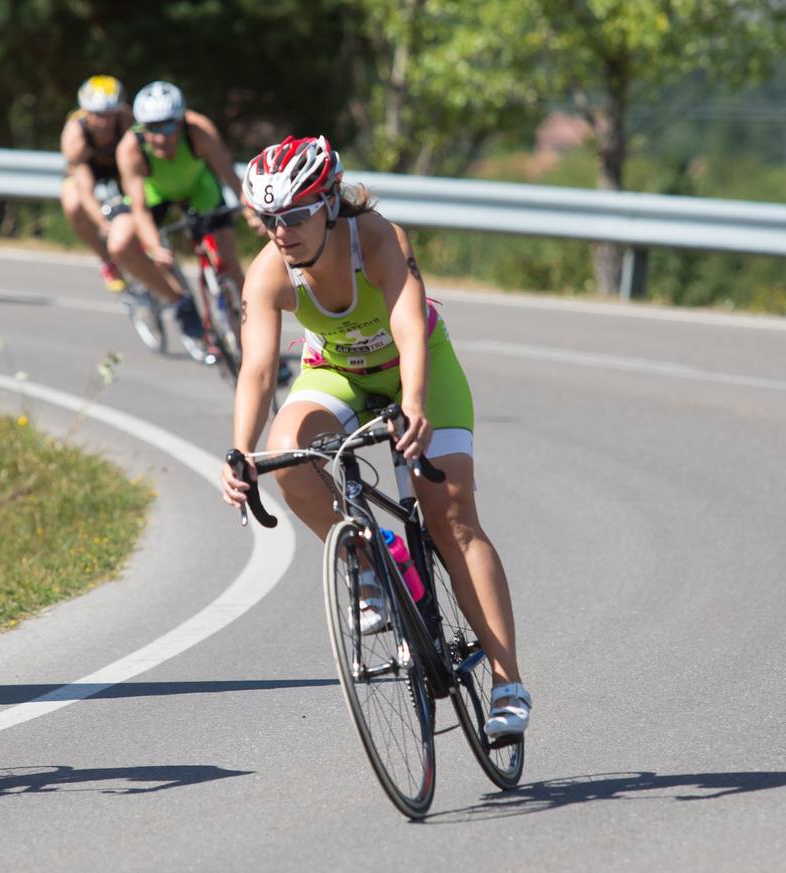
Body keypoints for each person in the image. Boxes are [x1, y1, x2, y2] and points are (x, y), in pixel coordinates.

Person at [218, 136, 530, 742]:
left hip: (416, 368)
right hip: (337, 372)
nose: (282, 233)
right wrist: (240, 452)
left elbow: (410, 328)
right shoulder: (267, 272)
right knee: (289, 459)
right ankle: (370, 555)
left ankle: (507, 682)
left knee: (449, 513)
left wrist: (413, 405)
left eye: (296, 215)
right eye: (270, 219)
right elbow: (257, 370)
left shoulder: (378, 239)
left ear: (330, 204)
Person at [112, 80, 266, 344]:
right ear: (140, 126)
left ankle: (255, 333)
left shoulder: (199, 130)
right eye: (152, 128)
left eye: (169, 126)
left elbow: (230, 176)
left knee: (227, 256)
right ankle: (178, 301)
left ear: (181, 121)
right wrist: (153, 247)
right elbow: (139, 208)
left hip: (198, 187)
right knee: (120, 243)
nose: (161, 137)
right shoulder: (129, 148)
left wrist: (253, 212)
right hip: (154, 194)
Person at [60, 75, 134, 293]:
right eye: (98, 115)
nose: (105, 122)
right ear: (86, 111)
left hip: (120, 163)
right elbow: (84, 189)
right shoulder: (76, 132)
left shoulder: (126, 120)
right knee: (73, 204)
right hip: (87, 169)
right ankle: (106, 261)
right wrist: (103, 224)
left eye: (110, 115)